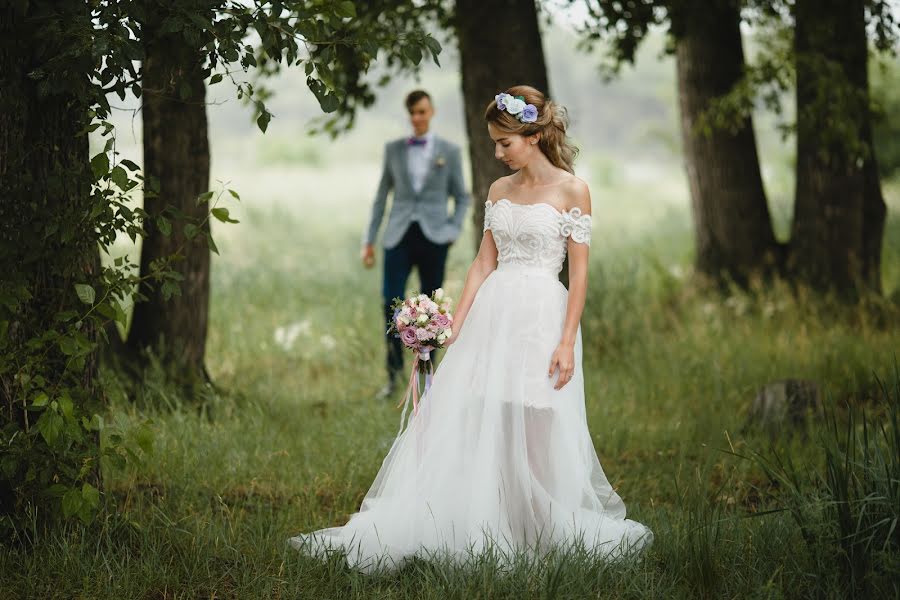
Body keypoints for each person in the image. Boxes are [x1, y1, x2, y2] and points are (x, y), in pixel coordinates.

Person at [291, 85, 653, 572]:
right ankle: (493, 521)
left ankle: (540, 528)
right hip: (494, 311)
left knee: (538, 416)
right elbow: (484, 262)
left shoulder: (573, 190)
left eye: (505, 143)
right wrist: (452, 326)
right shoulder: (499, 190)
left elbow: (580, 273)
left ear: (535, 134)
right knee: (488, 411)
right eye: (494, 144)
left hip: (543, 313)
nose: (497, 153)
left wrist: (567, 341)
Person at [360, 90, 471, 400]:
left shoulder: (449, 151)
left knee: (432, 310)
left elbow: (462, 196)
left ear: (431, 111)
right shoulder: (393, 150)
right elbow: (381, 196)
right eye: (412, 113)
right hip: (398, 235)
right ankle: (393, 377)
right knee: (389, 302)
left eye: (421, 111)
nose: (417, 118)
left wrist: (452, 229)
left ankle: (427, 377)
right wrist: (368, 240)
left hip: (435, 236)